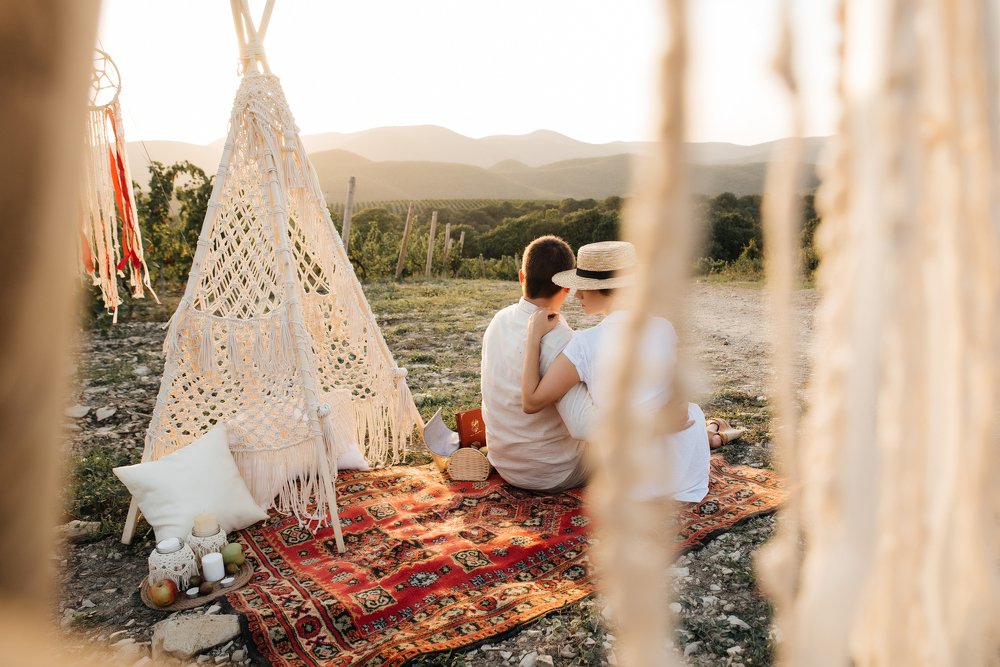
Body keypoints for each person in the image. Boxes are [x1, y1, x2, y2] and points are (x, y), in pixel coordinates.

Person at [520, 240, 710, 502]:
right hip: (689, 469)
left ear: (602, 290)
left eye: (584, 288)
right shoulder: (664, 327)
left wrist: (533, 336)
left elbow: (531, 401)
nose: (577, 295)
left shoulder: (584, 343)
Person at [480, 236, 594, 493]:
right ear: (568, 287)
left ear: (522, 277)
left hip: (505, 464)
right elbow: (584, 426)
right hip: (554, 472)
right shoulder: (562, 340)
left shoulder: (498, 320)